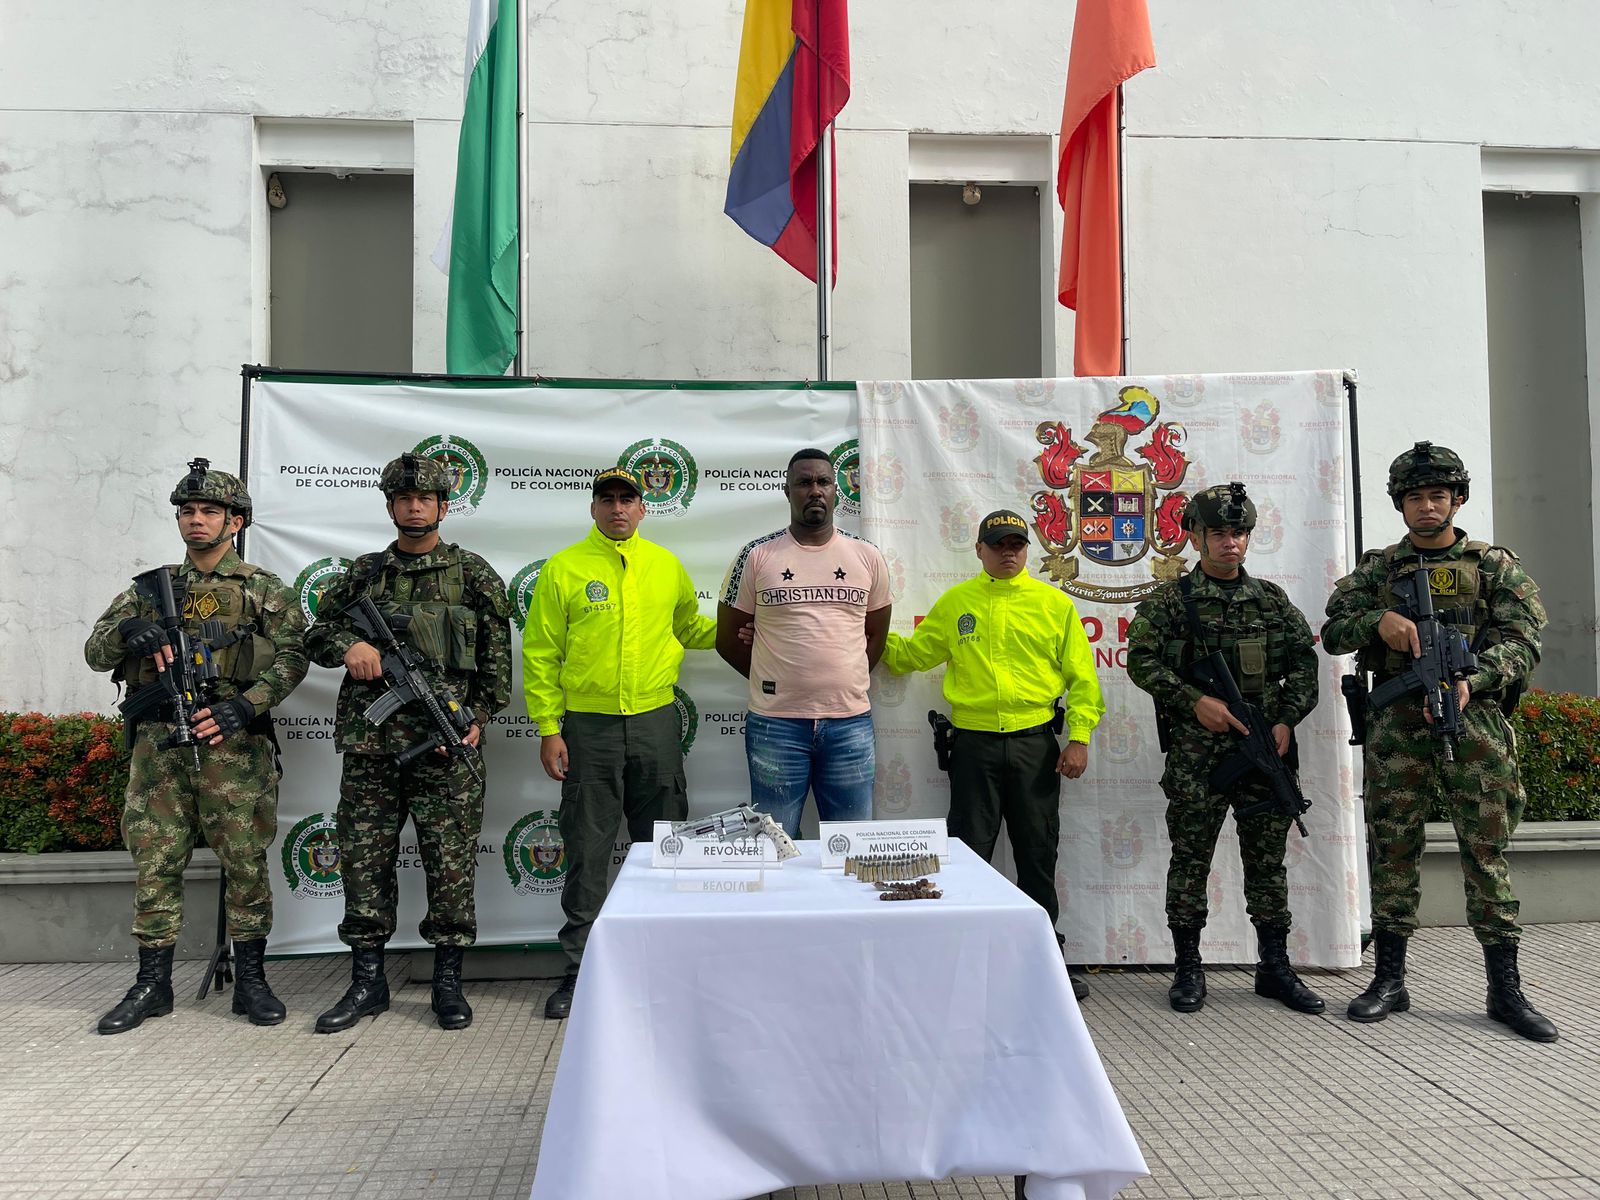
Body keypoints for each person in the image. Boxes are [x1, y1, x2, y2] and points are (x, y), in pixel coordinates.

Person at [1323, 442, 1556, 1042]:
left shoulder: (1496, 566)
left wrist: (1470, 682)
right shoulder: (1380, 570)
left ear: (1457, 499)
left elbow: (1524, 641)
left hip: (1472, 724)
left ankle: (1505, 990)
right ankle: (1389, 980)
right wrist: (1380, 623)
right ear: (1400, 505)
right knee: (1393, 847)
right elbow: (1331, 627)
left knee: (1485, 854)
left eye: (1438, 496)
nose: (1427, 507)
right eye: (1415, 497)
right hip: (1397, 727)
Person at [85, 459, 308, 1034]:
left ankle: (252, 982)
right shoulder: (147, 591)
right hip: (159, 751)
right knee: (155, 862)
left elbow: (293, 656)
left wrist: (247, 704)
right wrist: (127, 633)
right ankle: (152, 984)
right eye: (187, 511)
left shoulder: (261, 589)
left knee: (245, 862)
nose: (196, 521)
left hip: (232, 749)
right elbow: (96, 650)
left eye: (210, 511)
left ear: (236, 522)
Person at [307, 452, 511, 1033]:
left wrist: (475, 718)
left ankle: (447, 982)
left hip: (445, 749)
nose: (414, 506)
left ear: (444, 506)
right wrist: (351, 645)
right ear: (391, 505)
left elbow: (498, 668)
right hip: (372, 748)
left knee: (450, 866)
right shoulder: (365, 574)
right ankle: (367, 981)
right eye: (404, 498)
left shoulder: (474, 575)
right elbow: (316, 633)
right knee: (364, 864)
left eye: (425, 498)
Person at [880, 509, 1103, 1000]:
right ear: (979, 549)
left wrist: (1080, 737)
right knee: (968, 855)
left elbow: (1083, 679)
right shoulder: (957, 602)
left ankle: (1045, 961)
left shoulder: (1053, 605)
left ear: (1028, 550)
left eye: (1017, 545)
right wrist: (862, 634)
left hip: (1035, 746)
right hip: (974, 746)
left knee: (1038, 855)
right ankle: (963, 958)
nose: (1008, 552)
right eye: (998, 544)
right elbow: (913, 655)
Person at [524, 466, 717, 1020]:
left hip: (657, 721)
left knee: (664, 842)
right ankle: (581, 969)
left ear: (642, 509)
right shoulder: (564, 568)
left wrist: (743, 629)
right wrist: (547, 727)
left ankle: (666, 959)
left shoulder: (665, 565)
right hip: (589, 726)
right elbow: (540, 654)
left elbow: (689, 628)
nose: (617, 509)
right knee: (586, 847)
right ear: (592, 508)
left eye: (626, 500)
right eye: (606, 500)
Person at [1126, 482, 1324, 1016]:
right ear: (1195, 536)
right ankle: (1188, 968)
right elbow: (1141, 661)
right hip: (1198, 755)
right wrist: (1195, 702)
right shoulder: (1171, 601)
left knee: (1268, 862)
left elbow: (1306, 667)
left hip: (1264, 749)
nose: (1229, 543)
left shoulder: (1270, 601)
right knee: (1191, 859)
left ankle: (1274, 968)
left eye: (1238, 533)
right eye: (1218, 533)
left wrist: (1285, 721)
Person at [717, 447, 892, 838]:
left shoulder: (867, 556)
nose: (815, 490)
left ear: (835, 490)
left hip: (849, 724)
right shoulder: (757, 555)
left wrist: (842, 679)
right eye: (804, 482)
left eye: (823, 482)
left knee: (852, 844)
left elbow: (876, 634)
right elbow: (728, 638)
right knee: (776, 845)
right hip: (776, 726)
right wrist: (775, 673)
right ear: (787, 491)